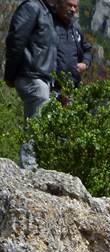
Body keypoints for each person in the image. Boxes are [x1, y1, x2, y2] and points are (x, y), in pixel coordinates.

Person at [4, 0, 58, 167]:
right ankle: (29, 169)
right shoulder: (32, 7)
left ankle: (33, 167)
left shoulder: (46, 12)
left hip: (41, 78)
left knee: (41, 127)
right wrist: (10, 74)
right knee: (35, 127)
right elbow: (16, 40)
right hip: (32, 76)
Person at [52, 0, 92, 100]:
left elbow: (87, 49)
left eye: (75, 6)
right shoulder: (50, 24)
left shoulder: (76, 28)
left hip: (71, 89)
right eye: (69, 5)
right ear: (59, 4)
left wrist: (85, 63)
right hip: (50, 87)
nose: (73, 9)